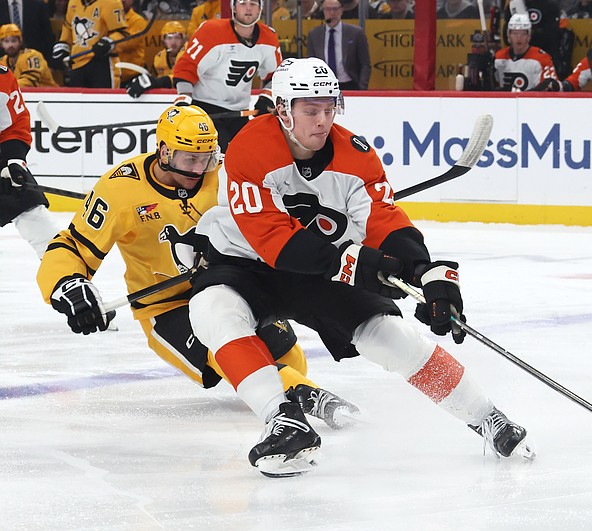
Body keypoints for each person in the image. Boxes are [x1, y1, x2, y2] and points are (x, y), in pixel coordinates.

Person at [187, 57, 533, 477]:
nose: (322, 120)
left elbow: (384, 221)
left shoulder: (357, 156)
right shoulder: (250, 146)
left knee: (389, 336)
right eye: (310, 110)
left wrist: (425, 272)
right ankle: (283, 419)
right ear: (282, 109)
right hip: (246, 264)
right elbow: (272, 238)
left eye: (329, 108)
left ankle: (488, 418)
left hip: (321, 270)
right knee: (211, 311)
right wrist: (354, 263)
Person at [35, 103, 360, 431]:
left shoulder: (225, 171)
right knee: (227, 354)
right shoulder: (120, 190)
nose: (199, 169)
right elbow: (73, 246)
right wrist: (68, 284)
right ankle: (304, 396)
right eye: (190, 159)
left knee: (294, 361)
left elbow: (274, 213)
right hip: (167, 307)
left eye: (206, 157)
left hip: (232, 287)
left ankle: (291, 382)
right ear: (163, 151)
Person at [171, 0, 282, 152]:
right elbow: (186, 68)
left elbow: (276, 76)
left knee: (245, 157)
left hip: (240, 112)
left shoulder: (269, 38)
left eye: (253, 3)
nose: (248, 8)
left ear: (260, 8)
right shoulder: (211, 32)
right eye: (242, 2)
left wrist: (266, 97)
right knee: (220, 158)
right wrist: (184, 99)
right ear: (233, 7)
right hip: (206, 109)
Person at [0, 65, 61, 258]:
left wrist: (14, 159)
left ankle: (65, 274)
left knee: (33, 214)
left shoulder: (2, 77)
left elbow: (14, 124)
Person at [52, 0, 129, 88]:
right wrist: (64, 44)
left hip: (102, 63)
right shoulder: (74, 0)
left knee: (104, 102)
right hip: (77, 63)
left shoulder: (111, 2)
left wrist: (109, 42)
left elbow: (123, 34)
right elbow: (68, 27)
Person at [307, 0, 371, 90]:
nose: (332, 13)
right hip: (323, 86)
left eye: (335, 9)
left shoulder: (356, 33)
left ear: (341, 11)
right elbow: (311, 63)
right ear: (323, 11)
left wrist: (362, 88)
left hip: (350, 85)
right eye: (328, 9)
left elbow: (365, 64)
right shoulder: (314, 34)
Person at [493, 13, 557, 91]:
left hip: (533, 102)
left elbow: (551, 86)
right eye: (515, 33)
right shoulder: (499, 57)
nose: (519, 38)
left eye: (523, 34)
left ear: (529, 36)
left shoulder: (541, 58)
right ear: (508, 35)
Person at [504, 0, 561, 69]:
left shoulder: (550, 5)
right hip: (519, 60)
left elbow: (551, 36)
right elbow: (506, 36)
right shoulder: (514, 5)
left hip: (543, 60)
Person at [126, 20, 186, 98]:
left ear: (183, 40)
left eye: (177, 38)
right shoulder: (159, 57)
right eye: (169, 38)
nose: (173, 42)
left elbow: (182, 77)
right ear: (163, 40)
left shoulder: (189, 54)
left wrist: (158, 82)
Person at [0, 0, 55, 66]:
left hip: (35, 61)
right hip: (4, 64)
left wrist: (50, 64)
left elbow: (48, 37)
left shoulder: (37, 5)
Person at [114, 0, 147, 87]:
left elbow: (128, 44)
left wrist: (108, 44)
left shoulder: (138, 20)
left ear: (132, 0)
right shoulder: (108, 18)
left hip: (132, 74)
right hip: (113, 73)